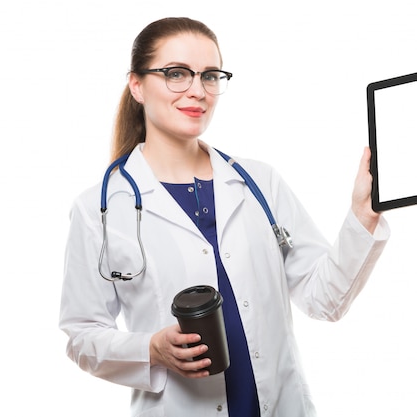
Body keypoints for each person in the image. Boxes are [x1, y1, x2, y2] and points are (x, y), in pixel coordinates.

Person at [59, 17, 390, 417]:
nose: (198, 91)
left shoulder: (258, 182)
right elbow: (81, 335)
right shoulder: (101, 209)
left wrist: (362, 216)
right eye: (176, 74)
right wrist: (150, 349)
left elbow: (325, 300)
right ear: (137, 85)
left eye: (210, 76)